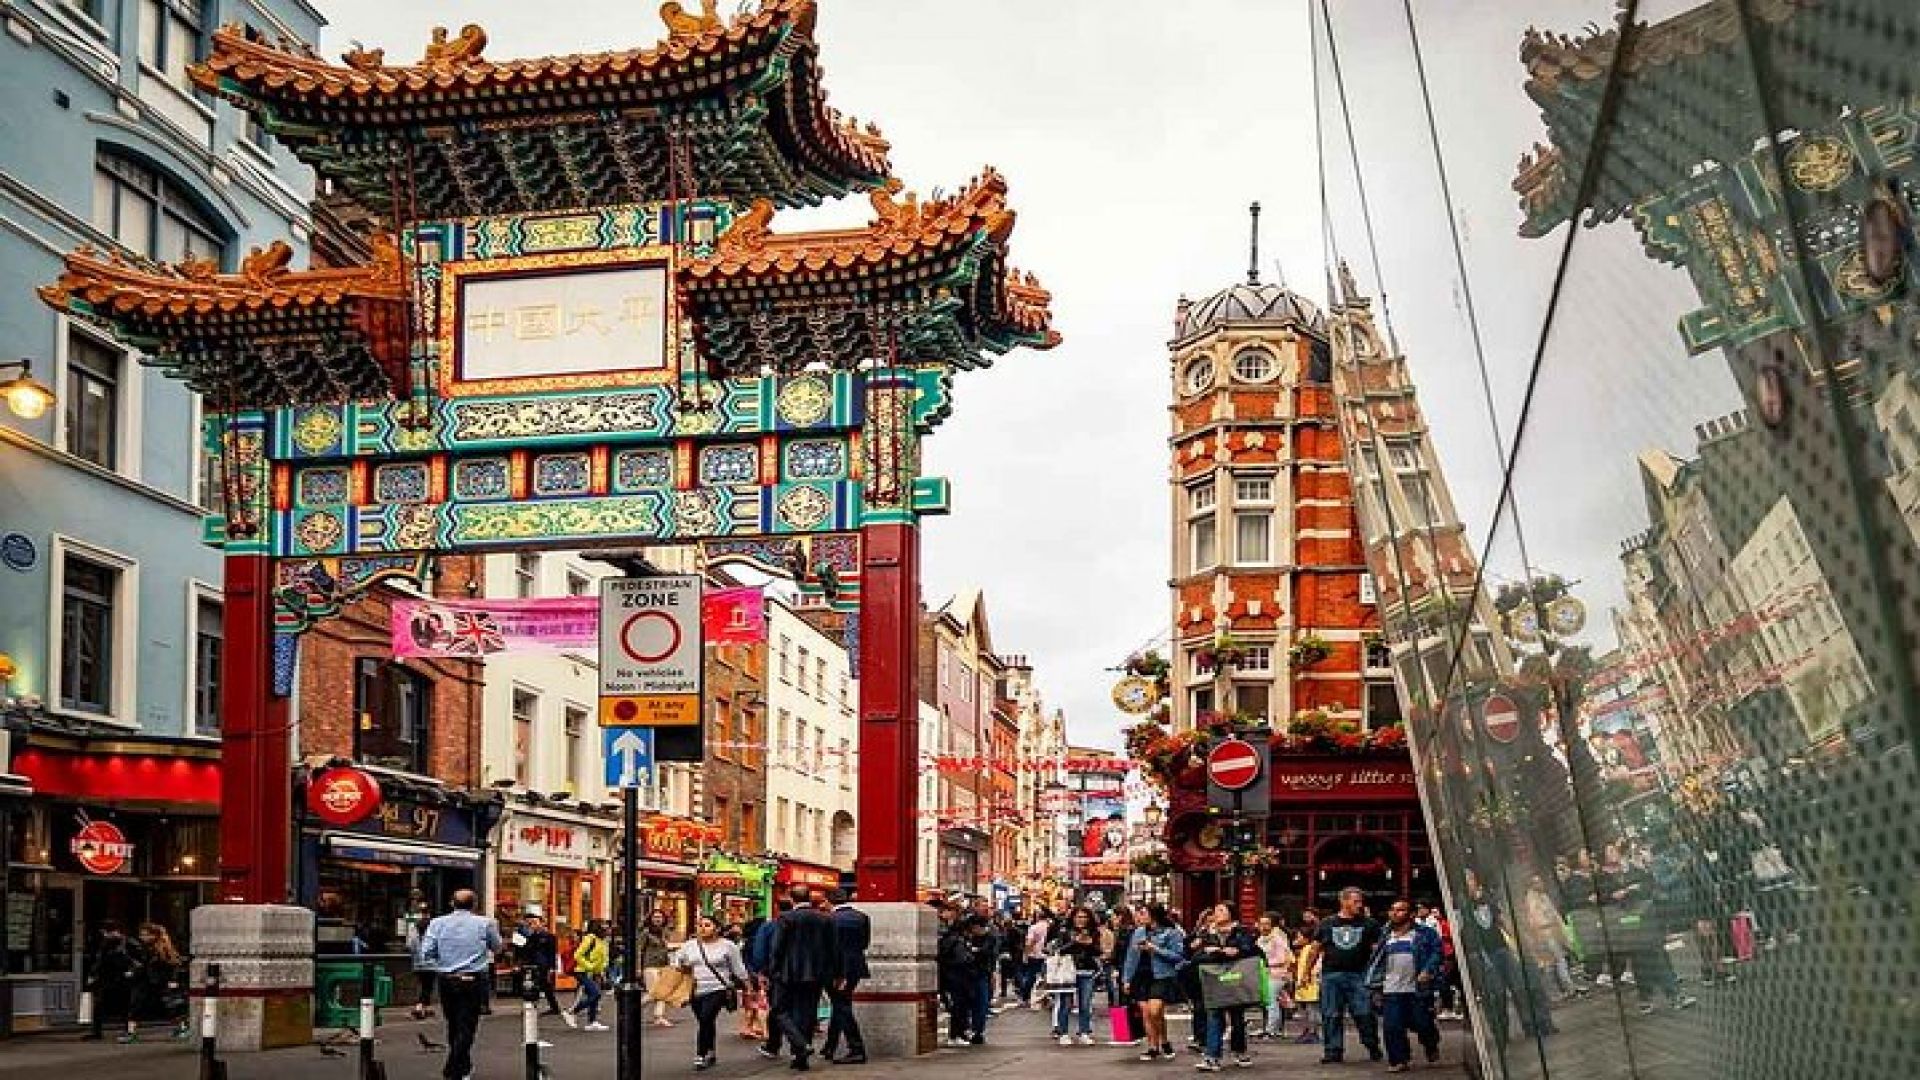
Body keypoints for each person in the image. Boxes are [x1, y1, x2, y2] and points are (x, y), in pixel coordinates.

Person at [420, 889, 505, 1080]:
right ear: (474, 905)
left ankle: (462, 1067)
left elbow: (426, 951)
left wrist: (443, 959)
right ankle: (454, 1066)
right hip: (474, 979)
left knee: (453, 1023)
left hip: (447, 979)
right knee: (467, 1025)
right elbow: (498, 947)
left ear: (452, 903)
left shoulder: (437, 923)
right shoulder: (485, 923)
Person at [767, 884, 842, 1070]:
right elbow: (834, 948)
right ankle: (800, 1057)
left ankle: (800, 1045)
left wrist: (772, 971)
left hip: (788, 972)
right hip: (817, 973)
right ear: (809, 898)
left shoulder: (786, 918)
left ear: (792, 899)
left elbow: (777, 948)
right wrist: (837, 973)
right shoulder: (826, 919)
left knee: (779, 1010)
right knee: (807, 1014)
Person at [1366, 899, 1443, 1073]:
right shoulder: (1385, 934)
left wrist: (1428, 970)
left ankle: (1430, 1045)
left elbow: (1436, 953)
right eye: (1392, 910)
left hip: (1417, 988)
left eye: (1400, 910)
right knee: (1392, 1026)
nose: (1395, 913)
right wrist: (1375, 985)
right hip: (1391, 987)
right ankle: (1399, 1059)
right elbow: (1376, 959)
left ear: (1411, 914)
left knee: (1422, 1023)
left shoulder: (1426, 933)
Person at [1316, 887, 1383, 1064]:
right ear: (1343, 901)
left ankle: (1372, 1045)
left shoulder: (1370, 924)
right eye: (1355, 902)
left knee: (1365, 1013)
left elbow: (1378, 950)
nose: (1359, 905)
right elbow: (1316, 948)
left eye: (1361, 902)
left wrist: (1378, 973)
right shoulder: (1327, 923)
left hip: (1359, 975)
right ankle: (1333, 1051)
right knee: (1331, 1014)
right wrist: (1306, 973)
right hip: (1331, 975)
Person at [677, 914, 752, 1071]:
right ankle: (710, 1050)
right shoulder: (690, 945)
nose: (702, 928)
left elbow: (738, 967)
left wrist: (748, 986)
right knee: (705, 1022)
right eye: (700, 925)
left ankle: (701, 1054)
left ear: (717, 928)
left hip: (718, 988)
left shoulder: (728, 946)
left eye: (707, 925)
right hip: (695, 989)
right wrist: (680, 965)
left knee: (706, 1018)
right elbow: (678, 960)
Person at [1188, 903, 1257, 1071]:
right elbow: (1195, 956)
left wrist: (1235, 951)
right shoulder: (1206, 932)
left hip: (1236, 978)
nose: (1216, 914)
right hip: (1213, 978)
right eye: (1216, 910)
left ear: (1231, 913)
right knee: (1214, 1015)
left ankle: (1239, 1051)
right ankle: (1212, 1056)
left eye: (1221, 910)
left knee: (1237, 1017)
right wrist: (1207, 950)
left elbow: (1250, 950)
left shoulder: (1241, 931)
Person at [1122, 902, 1186, 1062]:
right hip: (1141, 975)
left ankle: (1164, 1040)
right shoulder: (1138, 932)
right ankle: (1153, 1046)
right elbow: (1131, 957)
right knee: (1146, 1012)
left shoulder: (1171, 933)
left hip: (1162, 975)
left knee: (1155, 1010)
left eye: (1143, 913)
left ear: (1154, 915)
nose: (1139, 917)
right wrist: (1126, 979)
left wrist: (1154, 949)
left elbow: (1177, 956)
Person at [823, 888, 871, 1064]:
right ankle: (830, 1045)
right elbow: (865, 943)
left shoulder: (829, 920)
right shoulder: (862, 917)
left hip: (836, 969)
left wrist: (838, 973)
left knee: (842, 1006)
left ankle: (856, 1048)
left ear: (829, 901)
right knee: (840, 1004)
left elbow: (831, 949)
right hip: (856, 966)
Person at [1048, 905, 1104, 1046]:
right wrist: (1076, 941)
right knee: (1065, 1003)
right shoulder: (1065, 931)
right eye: (1079, 917)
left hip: (1087, 971)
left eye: (1085, 917)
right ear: (1073, 918)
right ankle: (1063, 1032)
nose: (1082, 920)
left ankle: (1084, 1032)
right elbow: (1060, 950)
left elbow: (1098, 952)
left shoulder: (1094, 932)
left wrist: (1090, 944)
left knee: (1085, 1004)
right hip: (1068, 971)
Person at [83, 921, 142, 1042]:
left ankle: (128, 1031)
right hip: (106, 977)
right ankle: (96, 1031)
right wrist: (93, 974)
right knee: (99, 1004)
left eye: (107, 933)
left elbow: (138, 960)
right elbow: (100, 960)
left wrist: (131, 971)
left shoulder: (129, 943)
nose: (105, 935)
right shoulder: (106, 944)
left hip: (122, 977)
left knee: (125, 1005)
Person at [134, 923, 189, 1040]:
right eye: (141, 935)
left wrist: (173, 980)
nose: (142, 937)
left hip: (162, 981)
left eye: (145, 935)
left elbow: (173, 964)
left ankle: (183, 1028)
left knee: (172, 1006)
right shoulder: (144, 948)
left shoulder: (162, 948)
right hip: (149, 981)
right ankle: (131, 1032)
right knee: (136, 1005)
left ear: (153, 935)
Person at [936, 902, 979, 1047]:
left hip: (953, 977)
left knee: (959, 1007)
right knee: (959, 1007)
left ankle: (958, 1033)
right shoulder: (957, 941)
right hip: (958, 978)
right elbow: (962, 959)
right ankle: (956, 1034)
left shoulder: (950, 939)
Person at [755, 899, 794, 1058]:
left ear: (776, 908)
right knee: (798, 1009)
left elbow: (760, 951)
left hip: (776, 974)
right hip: (804, 974)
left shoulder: (770, 926)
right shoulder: (806, 922)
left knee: (777, 1009)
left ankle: (774, 1044)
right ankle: (798, 1046)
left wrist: (761, 972)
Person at [563, 919, 610, 1031]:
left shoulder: (603, 940)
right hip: (582, 971)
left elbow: (602, 957)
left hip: (594, 971)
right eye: (602, 925)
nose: (606, 927)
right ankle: (572, 1012)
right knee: (596, 993)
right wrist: (589, 966)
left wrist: (601, 970)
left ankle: (592, 1022)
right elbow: (578, 955)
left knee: (593, 996)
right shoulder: (590, 939)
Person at [1255, 912, 1295, 1040]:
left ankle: (1271, 1030)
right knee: (1272, 1001)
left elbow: (1283, 958)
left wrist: (1265, 963)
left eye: (1267, 924)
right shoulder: (1260, 939)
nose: (1263, 927)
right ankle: (1275, 1029)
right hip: (1265, 974)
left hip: (1277, 973)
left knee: (1271, 1002)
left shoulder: (1277, 938)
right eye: (1261, 924)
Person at [516, 910, 563, 1017]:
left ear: (542, 923)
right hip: (531, 964)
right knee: (533, 985)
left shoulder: (549, 936)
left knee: (544, 985)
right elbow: (524, 950)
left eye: (535, 922)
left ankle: (553, 1007)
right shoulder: (530, 936)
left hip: (543, 964)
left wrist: (552, 967)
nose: (532, 925)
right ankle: (536, 1006)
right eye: (530, 923)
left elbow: (552, 952)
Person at [639, 909, 677, 1027]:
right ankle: (631, 1009)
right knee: (654, 993)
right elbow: (639, 950)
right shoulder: (646, 933)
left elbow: (666, 948)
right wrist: (638, 968)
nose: (657, 919)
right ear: (650, 919)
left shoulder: (665, 932)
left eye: (660, 917)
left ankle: (659, 1016)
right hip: (650, 965)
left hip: (663, 965)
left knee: (663, 992)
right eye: (655, 917)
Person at [1292, 912, 1322, 1043]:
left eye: (1299, 937)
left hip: (1311, 983)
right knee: (1304, 1010)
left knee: (1312, 1009)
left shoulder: (1311, 950)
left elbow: (1316, 966)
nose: (1296, 939)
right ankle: (1307, 1030)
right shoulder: (1303, 950)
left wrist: (1309, 976)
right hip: (1303, 984)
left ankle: (1313, 1032)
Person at [406, 907, 437, 1021]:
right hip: (432, 964)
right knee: (428, 986)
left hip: (418, 963)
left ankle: (424, 1007)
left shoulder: (414, 931)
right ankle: (420, 1007)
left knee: (422, 985)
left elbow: (410, 945)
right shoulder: (433, 931)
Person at [1020, 905, 1052, 1009]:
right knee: (1047, 978)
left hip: (1035, 955)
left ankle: (1025, 998)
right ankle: (1046, 999)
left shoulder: (1033, 927)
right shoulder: (1050, 926)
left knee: (1030, 977)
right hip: (1048, 955)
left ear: (1037, 916)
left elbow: (1029, 942)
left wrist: (1026, 954)